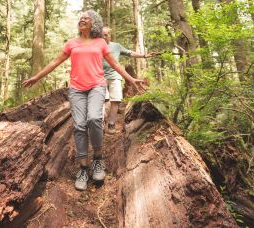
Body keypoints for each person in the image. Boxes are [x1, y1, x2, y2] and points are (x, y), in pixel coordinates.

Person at [22, 11, 145, 191]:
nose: (82, 19)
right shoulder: (72, 43)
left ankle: (97, 159)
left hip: (96, 86)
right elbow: (55, 62)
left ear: (93, 22)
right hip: (76, 89)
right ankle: (83, 168)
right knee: (79, 125)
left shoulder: (101, 43)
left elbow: (115, 64)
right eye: (80, 17)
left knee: (94, 119)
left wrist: (131, 79)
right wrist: (37, 77)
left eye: (86, 18)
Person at [102, 26, 158, 134]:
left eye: (106, 34)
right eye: (101, 35)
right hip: (100, 77)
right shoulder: (96, 47)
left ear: (109, 35)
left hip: (115, 76)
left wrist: (145, 55)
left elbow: (130, 53)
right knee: (102, 100)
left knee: (116, 100)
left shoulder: (116, 46)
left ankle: (112, 124)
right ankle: (101, 122)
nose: (104, 37)